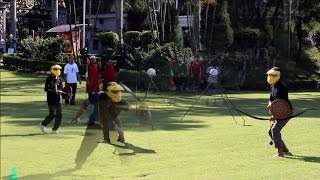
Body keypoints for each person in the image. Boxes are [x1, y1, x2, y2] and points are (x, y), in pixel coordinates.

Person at [71, 82, 151, 143]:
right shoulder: (99, 96)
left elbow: (131, 109)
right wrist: (77, 116)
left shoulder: (121, 101)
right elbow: (86, 103)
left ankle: (116, 134)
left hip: (110, 123)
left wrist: (141, 112)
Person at [266, 67, 293, 157]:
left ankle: (280, 153)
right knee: (271, 132)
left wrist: (275, 115)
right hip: (277, 112)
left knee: (275, 130)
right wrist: (270, 104)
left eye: (272, 75)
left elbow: (281, 104)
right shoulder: (272, 86)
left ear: (277, 76)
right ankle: (285, 149)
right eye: (269, 75)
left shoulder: (283, 88)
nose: (270, 77)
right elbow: (271, 99)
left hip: (285, 112)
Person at [39, 65, 64, 134]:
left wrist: (66, 94)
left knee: (59, 115)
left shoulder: (60, 79)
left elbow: (61, 89)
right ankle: (42, 125)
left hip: (58, 100)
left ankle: (55, 130)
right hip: (51, 100)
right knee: (52, 115)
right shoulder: (48, 79)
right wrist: (54, 91)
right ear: (52, 71)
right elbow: (46, 89)